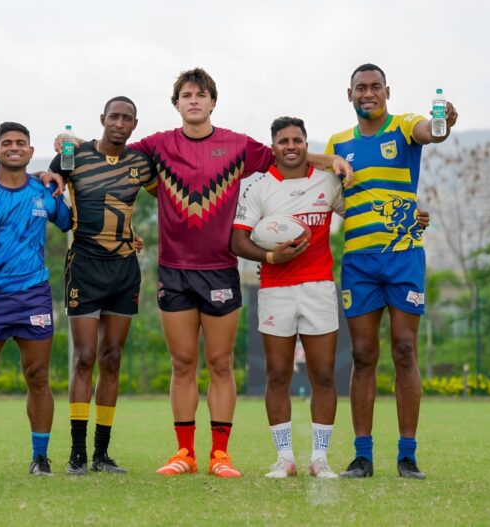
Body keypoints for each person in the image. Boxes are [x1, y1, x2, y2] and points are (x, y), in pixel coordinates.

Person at [124, 68, 353, 478]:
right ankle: (184, 453)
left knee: (220, 363)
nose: (194, 101)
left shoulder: (237, 145)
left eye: (201, 95)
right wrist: (72, 148)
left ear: (213, 102)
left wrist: (330, 160)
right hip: (173, 270)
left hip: (220, 270)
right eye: (186, 95)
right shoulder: (156, 145)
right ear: (176, 104)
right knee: (182, 363)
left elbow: (288, 155)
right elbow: (115, 155)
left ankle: (220, 455)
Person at [325, 63, 458, 479]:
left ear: (387, 91)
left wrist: (444, 124)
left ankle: (407, 455)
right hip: (359, 261)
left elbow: (430, 132)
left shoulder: (403, 126)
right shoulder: (338, 143)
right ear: (349, 95)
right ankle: (362, 456)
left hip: (404, 257)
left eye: (375, 87)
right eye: (360, 88)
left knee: (404, 349)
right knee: (363, 355)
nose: (368, 93)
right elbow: (331, 199)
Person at [231, 116, 345, 479]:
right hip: (275, 291)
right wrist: (270, 257)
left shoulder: (328, 181)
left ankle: (320, 458)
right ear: (274, 147)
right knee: (278, 374)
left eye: (297, 140)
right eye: (284, 141)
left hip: (319, 288)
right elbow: (237, 240)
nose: (291, 146)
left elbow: (358, 214)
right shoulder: (259, 187)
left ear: (306, 145)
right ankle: (284, 459)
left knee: (323, 375)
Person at [0, 122, 72, 477]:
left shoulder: (42, 190)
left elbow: (69, 222)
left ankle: (41, 458)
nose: (14, 147)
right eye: (6, 143)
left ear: (31, 152)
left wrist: (63, 182)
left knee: (38, 376)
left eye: (21, 142)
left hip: (34, 294)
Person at [48, 96, 157, 476]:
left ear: (134, 124)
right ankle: (77, 453)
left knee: (112, 358)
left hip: (124, 269)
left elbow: (167, 196)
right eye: (114, 117)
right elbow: (48, 182)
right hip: (84, 266)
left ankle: (101, 454)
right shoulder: (74, 156)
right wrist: (54, 160)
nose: (119, 123)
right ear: (102, 119)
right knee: (84, 357)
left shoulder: (141, 163)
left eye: (127, 118)